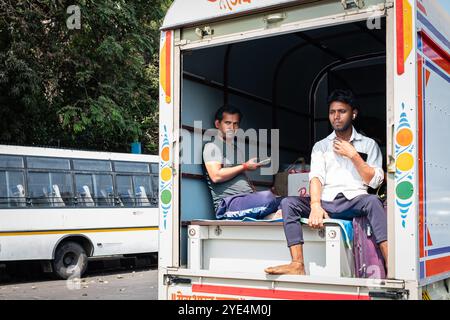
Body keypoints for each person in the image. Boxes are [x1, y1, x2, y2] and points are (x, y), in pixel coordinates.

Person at [265, 89, 387, 275]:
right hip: (327, 202)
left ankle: (393, 265)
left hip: (355, 200)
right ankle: (297, 264)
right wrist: (315, 205)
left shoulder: (368, 144)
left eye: (342, 111)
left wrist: (353, 155)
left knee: (374, 202)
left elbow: (376, 181)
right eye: (332, 112)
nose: (336, 116)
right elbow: (316, 177)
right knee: (288, 202)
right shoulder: (321, 146)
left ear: (353, 114)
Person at [203, 105, 282, 220]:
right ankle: (270, 212)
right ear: (217, 124)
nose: (232, 127)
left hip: (246, 199)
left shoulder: (236, 150)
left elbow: (242, 176)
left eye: (235, 124)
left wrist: (256, 193)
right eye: (228, 123)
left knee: (284, 199)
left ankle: (270, 214)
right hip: (229, 204)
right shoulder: (212, 147)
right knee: (268, 198)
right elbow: (216, 176)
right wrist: (245, 166)